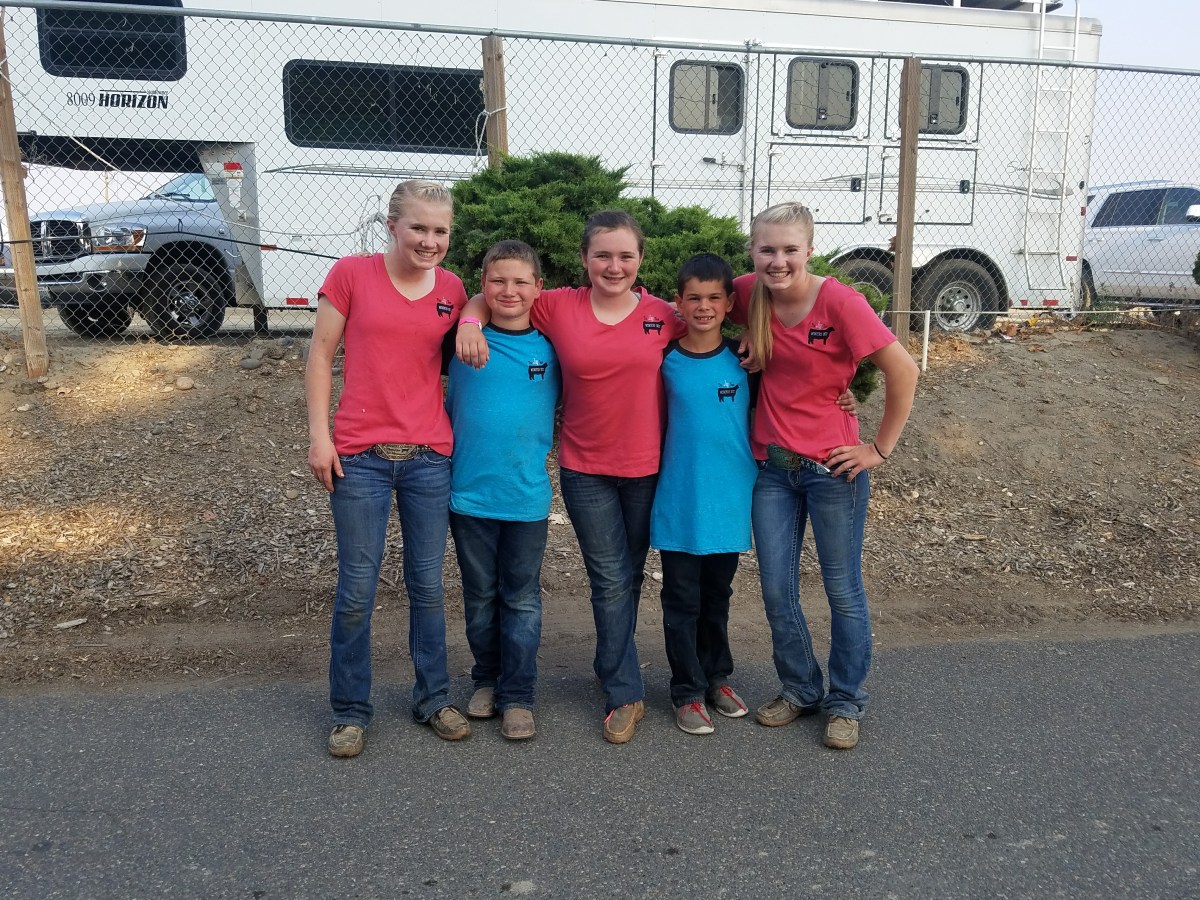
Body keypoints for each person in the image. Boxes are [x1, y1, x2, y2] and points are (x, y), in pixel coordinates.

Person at [456, 210, 686, 744]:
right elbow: (493, 296)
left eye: (625, 255)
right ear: (584, 259)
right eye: (602, 255)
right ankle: (623, 692)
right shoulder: (559, 306)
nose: (614, 266)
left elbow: (710, 329)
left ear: (641, 260)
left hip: (648, 468)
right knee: (610, 579)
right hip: (585, 470)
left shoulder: (662, 315)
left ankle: (614, 663)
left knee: (630, 576)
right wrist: (468, 322)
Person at [735, 201, 919, 751]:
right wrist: (739, 339)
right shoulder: (747, 293)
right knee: (776, 590)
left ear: (810, 251)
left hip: (833, 471)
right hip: (772, 470)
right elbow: (690, 310)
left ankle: (846, 702)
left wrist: (878, 448)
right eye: (767, 249)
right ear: (753, 252)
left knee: (842, 590)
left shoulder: (840, 301)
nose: (778, 261)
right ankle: (800, 688)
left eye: (790, 249)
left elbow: (903, 370)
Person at [306, 179, 471, 759]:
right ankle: (350, 710)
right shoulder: (352, 275)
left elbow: (476, 313)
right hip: (360, 458)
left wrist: (472, 320)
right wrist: (320, 437)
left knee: (427, 585)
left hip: (429, 457)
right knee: (357, 587)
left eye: (440, 231)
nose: (429, 240)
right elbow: (321, 355)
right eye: (418, 227)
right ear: (392, 226)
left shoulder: (452, 289)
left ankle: (433, 697)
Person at [445, 240, 560, 741]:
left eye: (520, 282)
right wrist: (469, 321)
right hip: (469, 495)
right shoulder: (459, 340)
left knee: (521, 599)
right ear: (482, 285)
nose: (508, 290)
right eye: (497, 281)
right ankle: (486, 680)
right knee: (479, 597)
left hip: (526, 498)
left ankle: (518, 695)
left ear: (539, 287)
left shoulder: (553, 347)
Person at [649, 253, 759, 735]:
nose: (704, 306)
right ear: (678, 301)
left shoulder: (747, 361)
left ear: (730, 303)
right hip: (678, 499)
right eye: (693, 297)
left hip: (728, 500)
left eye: (715, 297)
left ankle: (717, 678)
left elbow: (796, 393)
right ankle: (687, 690)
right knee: (681, 599)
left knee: (718, 596)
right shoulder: (663, 360)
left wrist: (842, 396)